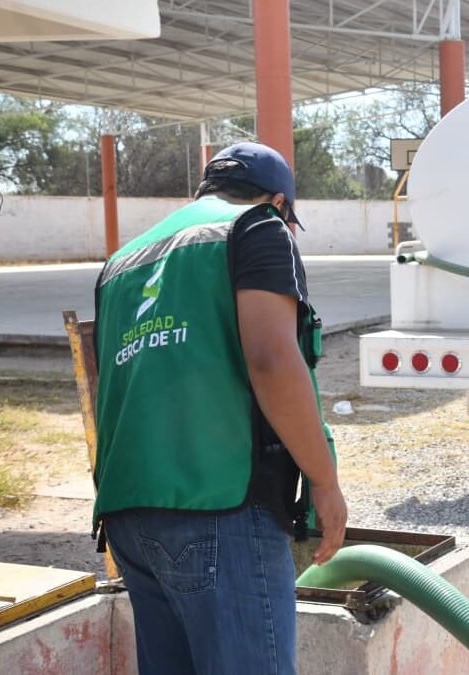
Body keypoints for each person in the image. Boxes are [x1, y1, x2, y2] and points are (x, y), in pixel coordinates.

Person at [91, 141, 347, 675]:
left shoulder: (122, 262)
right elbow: (273, 360)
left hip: (128, 513)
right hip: (218, 506)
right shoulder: (256, 227)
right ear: (277, 200)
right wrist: (323, 480)